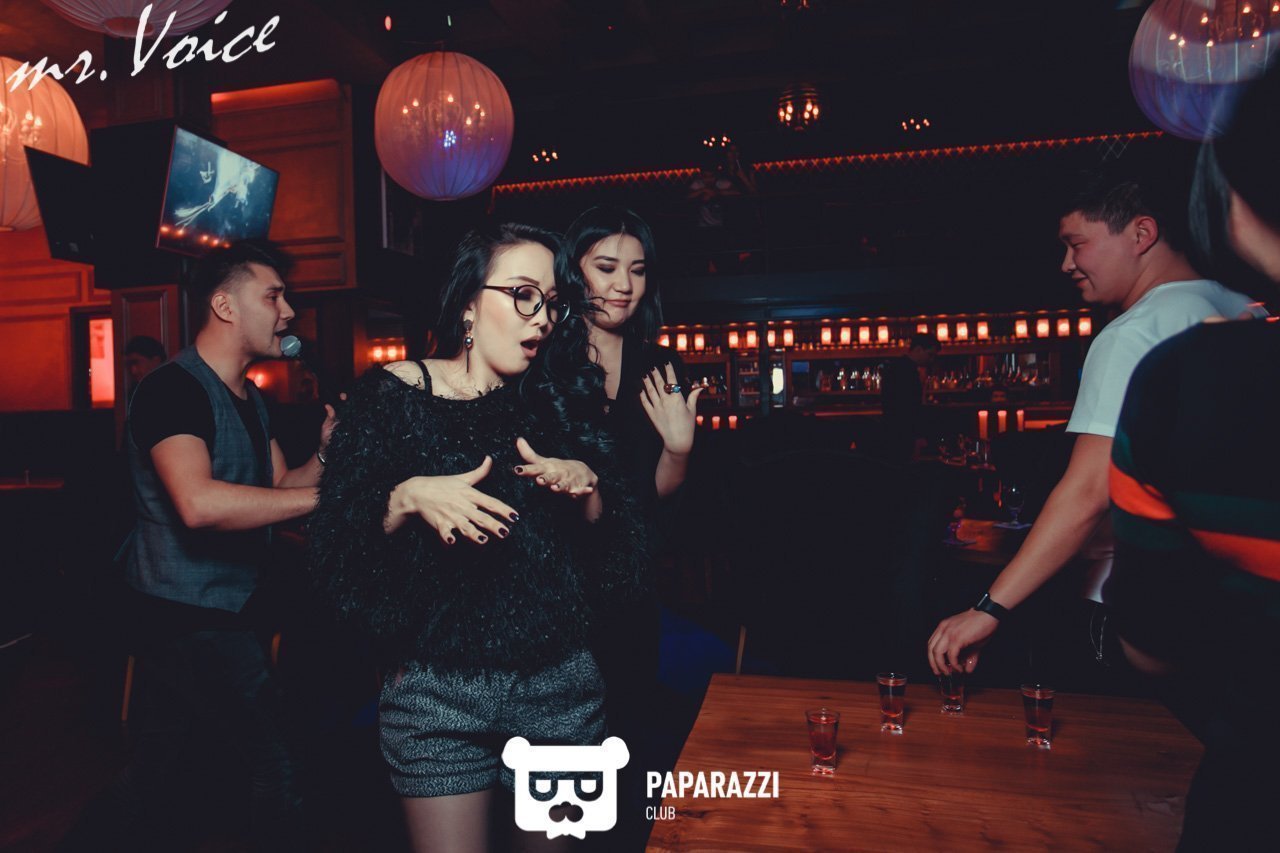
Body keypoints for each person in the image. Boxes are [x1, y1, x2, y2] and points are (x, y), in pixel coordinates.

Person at [308, 223, 648, 852]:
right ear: (468, 303)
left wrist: (588, 488)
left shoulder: (561, 399)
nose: (541, 317)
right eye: (523, 294)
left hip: (557, 685)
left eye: (551, 302)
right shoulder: (392, 396)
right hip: (436, 689)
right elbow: (336, 547)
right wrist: (406, 497)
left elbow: (619, 556)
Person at [927, 157, 1265, 679]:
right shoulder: (1247, 311)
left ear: (1141, 234)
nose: (1066, 264)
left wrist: (989, 608)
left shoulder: (1133, 334)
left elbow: (1088, 491)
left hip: (1134, 611)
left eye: (1076, 243)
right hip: (1237, 612)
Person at [63, 240, 333, 851]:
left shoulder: (250, 396)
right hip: (182, 616)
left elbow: (280, 486)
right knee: (278, 764)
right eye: (273, 296)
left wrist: (326, 455)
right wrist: (330, 504)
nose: (288, 311)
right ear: (225, 305)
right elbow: (199, 504)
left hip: (222, 609)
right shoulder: (172, 390)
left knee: (156, 772)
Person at [1109, 64, 1279, 850]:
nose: (1066, 265)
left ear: (1233, 202)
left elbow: (1151, 645)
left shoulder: (1186, 378)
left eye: (1074, 243)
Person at [559, 206, 699, 850]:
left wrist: (679, 449)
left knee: (628, 731)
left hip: (631, 580)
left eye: (637, 270)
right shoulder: (543, 358)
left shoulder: (659, 366)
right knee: (561, 747)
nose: (623, 285)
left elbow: (657, 494)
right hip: (556, 584)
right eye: (607, 266)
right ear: (574, 270)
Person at [878, 333, 937, 462]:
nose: (931, 360)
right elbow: (909, 407)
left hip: (894, 431)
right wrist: (917, 435)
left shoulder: (898, 367)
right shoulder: (907, 371)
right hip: (902, 433)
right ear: (918, 349)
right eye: (930, 355)